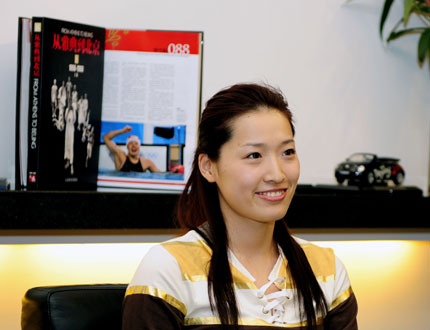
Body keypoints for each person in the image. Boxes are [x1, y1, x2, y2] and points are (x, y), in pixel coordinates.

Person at [122, 83, 358, 330]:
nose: (277, 174)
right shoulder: (168, 270)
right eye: (254, 156)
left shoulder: (327, 270)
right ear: (208, 167)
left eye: (287, 152)